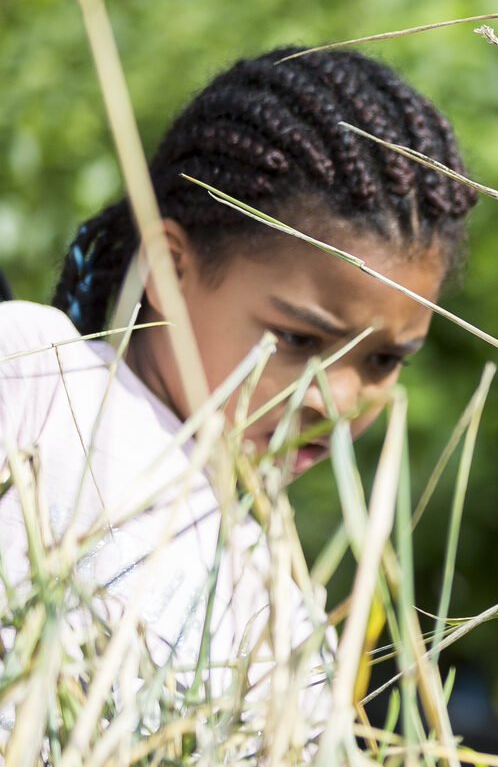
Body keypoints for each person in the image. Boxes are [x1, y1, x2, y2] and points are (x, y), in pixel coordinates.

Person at [2, 46, 474, 689]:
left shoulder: (282, 620)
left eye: (384, 360)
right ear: (168, 269)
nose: (337, 399)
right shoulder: (34, 379)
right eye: (299, 338)